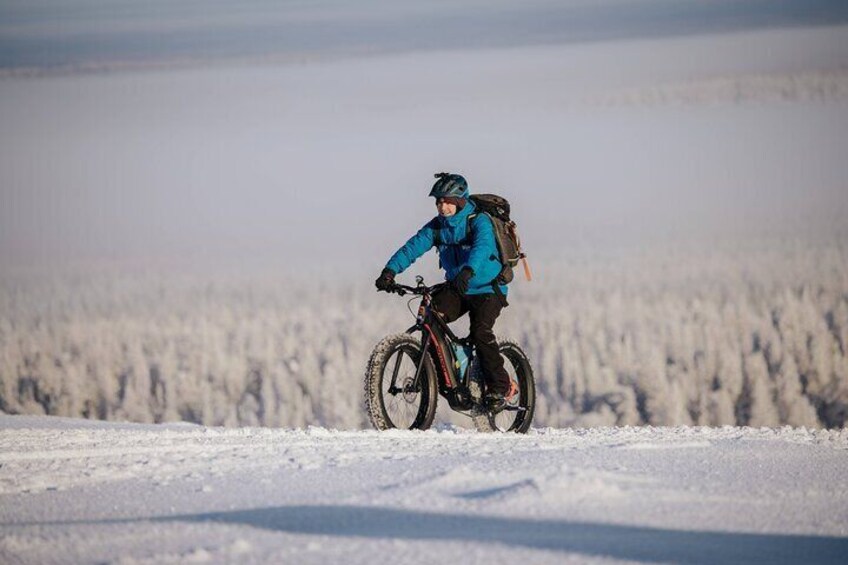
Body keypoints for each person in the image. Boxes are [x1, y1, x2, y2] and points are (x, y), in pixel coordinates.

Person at [375, 172, 517, 411]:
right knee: (432, 319)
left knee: (481, 332)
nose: (441, 206)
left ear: (460, 200)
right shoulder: (437, 227)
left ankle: (500, 387)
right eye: (439, 201)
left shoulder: (478, 220)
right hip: (458, 287)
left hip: (488, 288)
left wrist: (468, 270)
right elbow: (413, 247)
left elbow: (483, 248)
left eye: (446, 201)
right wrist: (390, 271)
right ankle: (447, 379)